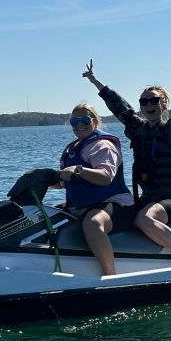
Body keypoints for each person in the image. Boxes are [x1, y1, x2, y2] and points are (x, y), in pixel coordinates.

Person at [82, 33, 171, 264]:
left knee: (144, 219)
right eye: (144, 101)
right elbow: (119, 106)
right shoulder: (138, 128)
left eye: (154, 100)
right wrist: (95, 81)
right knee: (115, 212)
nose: (148, 105)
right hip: (148, 197)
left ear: (164, 104)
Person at [55, 102, 135, 276]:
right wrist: (48, 180)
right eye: (74, 122)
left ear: (95, 122)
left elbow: (105, 176)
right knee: (48, 214)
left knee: (93, 223)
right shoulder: (72, 149)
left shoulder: (104, 146)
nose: (80, 125)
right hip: (84, 205)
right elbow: (66, 182)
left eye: (85, 120)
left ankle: (110, 276)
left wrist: (79, 170)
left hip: (116, 205)